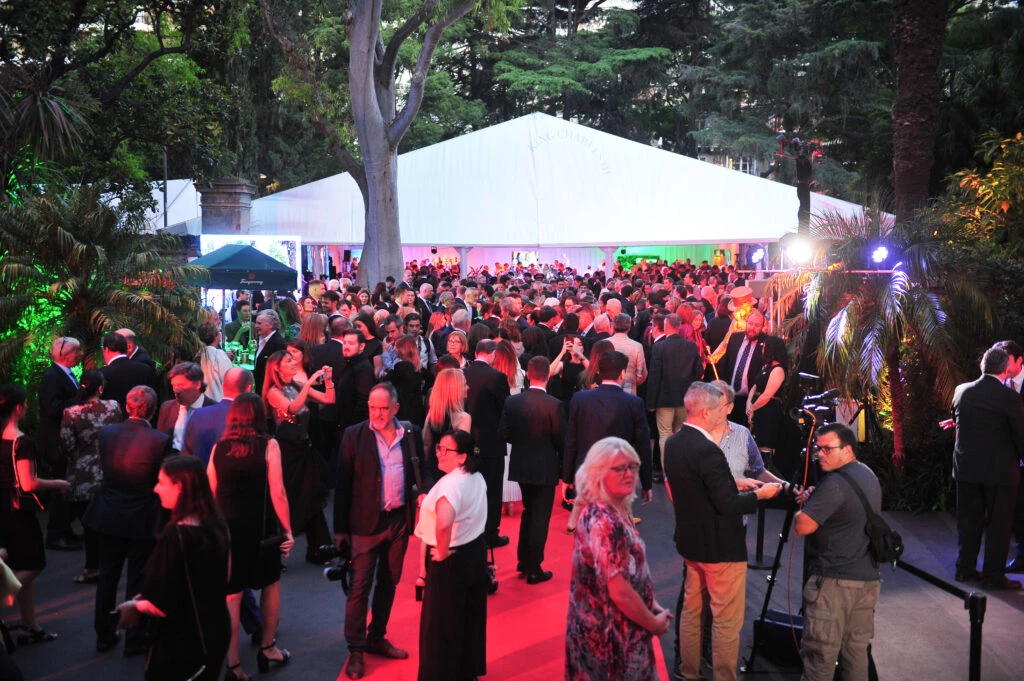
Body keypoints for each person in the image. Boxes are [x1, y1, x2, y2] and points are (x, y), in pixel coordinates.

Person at [663, 381, 782, 681]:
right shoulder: (708, 451)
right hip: (721, 548)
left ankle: (689, 672)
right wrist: (760, 494)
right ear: (705, 412)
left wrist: (735, 483)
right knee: (726, 623)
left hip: (690, 544)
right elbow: (727, 505)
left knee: (691, 614)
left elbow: (697, 489)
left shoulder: (674, 443)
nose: (725, 414)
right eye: (720, 409)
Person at [334, 383, 428, 680]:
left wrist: (424, 493)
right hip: (363, 525)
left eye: (384, 408)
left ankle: (377, 636)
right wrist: (340, 530)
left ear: (396, 408)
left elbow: (421, 470)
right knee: (360, 588)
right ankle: (356, 649)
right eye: (373, 407)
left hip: (398, 522)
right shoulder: (353, 435)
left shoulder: (409, 434)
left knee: (390, 583)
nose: (377, 413)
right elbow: (343, 485)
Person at [115, 455, 231, 681]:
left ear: (179, 487)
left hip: (181, 641)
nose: (156, 489)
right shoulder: (216, 526)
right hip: (215, 632)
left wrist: (135, 606)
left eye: (161, 482)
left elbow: (160, 605)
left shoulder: (175, 537)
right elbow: (224, 577)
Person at [565, 437, 671, 681]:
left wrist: (649, 603)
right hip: (611, 638)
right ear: (598, 473)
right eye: (619, 468)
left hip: (609, 631)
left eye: (633, 466)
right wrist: (653, 624)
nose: (629, 474)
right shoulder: (605, 522)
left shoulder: (609, 508)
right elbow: (619, 591)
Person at [208, 394, 295, 680]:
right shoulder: (269, 445)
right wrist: (288, 530)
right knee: (270, 586)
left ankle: (233, 664)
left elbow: (210, 489)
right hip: (261, 530)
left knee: (232, 597)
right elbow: (278, 493)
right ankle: (268, 647)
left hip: (227, 532)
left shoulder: (218, 448)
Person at [83, 385, 168, 655]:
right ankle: (135, 635)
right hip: (142, 516)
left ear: (127, 406)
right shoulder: (160, 440)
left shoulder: (107, 433)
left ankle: (104, 634)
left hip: (108, 513)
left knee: (108, 575)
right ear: (153, 410)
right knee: (137, 576)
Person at [794, 423, 882, 681]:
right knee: (855, 654)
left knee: (819, 657)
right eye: (818, 449)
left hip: (834, 583)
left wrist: (805, 506)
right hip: (867, 580)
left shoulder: (834, 484)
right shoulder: (867, 474)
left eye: (827, 449)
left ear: (848, 449)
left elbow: (803, 526)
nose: (820, 454)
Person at [0, 384, 72, 645]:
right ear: (18, 408)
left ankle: (31, 625)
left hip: (3, 510)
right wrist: (58, 483)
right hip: (19, 513)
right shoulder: (22, 441)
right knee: (32, 565)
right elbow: (28, 483)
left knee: (21, 566)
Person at [414, 429, 489, 681]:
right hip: (475, 554)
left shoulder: (451, 484)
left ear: (462, 457)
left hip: (452, 560)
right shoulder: (476, 477)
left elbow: (444, 523)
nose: (440, 453)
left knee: (440, 627)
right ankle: (467, 672)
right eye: (438, 447)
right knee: (471, 619)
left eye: (447, 450)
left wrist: (443, 552)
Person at [951, 345, 1024, 589]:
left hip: (967, 470)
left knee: (968, 523)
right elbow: (1020, 436)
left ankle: (965, 570)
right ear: (1005, 368)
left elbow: (962, 424)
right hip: (999, 473)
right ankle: (993, 576)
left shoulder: (961, 391)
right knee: (999, 526)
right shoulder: (1010, 398)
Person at [563, 351, 653, 531]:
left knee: (590, 528)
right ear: (621, 374)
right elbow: (643, 445)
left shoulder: (580, 399)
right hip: (618, 476)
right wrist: (646, 483)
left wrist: (566, 477)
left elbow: (571, 440)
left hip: (587, 473)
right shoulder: (634, 403)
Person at [263, 350, 335, 563]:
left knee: (313, 497)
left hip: (305, 449)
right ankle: (273, 553)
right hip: (287, 453)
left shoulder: (294, 385)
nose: (294, 362)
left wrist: (328, 381)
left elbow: (328, 399)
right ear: (277, 367)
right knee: (289, 500)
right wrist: (308, 383)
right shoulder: (273, 392)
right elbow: (293, 408)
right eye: (288, 360)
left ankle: (319, 548)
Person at [499, 356, 565, 583]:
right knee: (539, 517)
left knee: (529, 512)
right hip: (545, 467)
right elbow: (561, 441)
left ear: (528, 374)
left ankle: (523, 561)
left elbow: (504, 433)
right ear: (548, 375)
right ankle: (534, 567)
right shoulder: (554, 405)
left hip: (521, 465)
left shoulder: (513, 402)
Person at [59, 370, 124, 585]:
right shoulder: (113, 406)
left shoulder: (71, 413)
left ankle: (92, 567)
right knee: (108, 521)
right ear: (100, 388)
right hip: (109, 470)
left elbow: (67, 445)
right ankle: (109, 564)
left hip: (83, 474)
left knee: (89, 524)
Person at [463, 339, 511, 548]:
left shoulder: (463, 373)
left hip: (465, 439)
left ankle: (470, 534)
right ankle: (490, 533)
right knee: (492, 489)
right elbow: (505, 409)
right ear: (491, 354)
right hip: (491, 442)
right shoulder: (497, 377)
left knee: (469, 488)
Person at [38, 336, 84, 551]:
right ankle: (56, 535)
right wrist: (81, 400)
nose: (81, 354)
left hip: (64, 440)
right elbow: (52, 407)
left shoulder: (63, 374)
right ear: (64, 354)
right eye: (77, 351)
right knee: (60, 488)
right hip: (56, 442)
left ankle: (65, 530)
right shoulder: (52, 376)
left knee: (66, 488)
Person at [646, 313, 703, 468]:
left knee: (664, 434)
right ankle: (679, 467)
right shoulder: (691, 346)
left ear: (666, 326)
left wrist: (651, 402)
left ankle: (667, 470)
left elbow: (655, 376)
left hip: (664, 399)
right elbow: (698, 372)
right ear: (678, 326)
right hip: (685, 398)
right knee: (680, 434)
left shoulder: (659, 347)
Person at [721, 310, 787, 427]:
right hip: (730, 397)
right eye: (750, 323)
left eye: (757, 325)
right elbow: (726, 364)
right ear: (746, 322)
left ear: (763, 327)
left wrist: (752, 404)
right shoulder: (735, 338)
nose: (752, 328)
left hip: (751, 400)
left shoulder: (767, 344)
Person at [156, 362, 218, 452]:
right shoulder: (167, 408)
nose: (176, 390)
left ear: (197, 385)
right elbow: (160, 441)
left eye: (181, 385)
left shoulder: (214, 410)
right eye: (174, 386)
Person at [746, 338, 787, 450]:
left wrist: (752, 409)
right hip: (756, 408)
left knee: (764, 443)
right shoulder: (765, 367)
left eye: (764, 347)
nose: (762, 349)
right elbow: (755, 386)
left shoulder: (778, 370)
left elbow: (767, 394)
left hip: (768, 410)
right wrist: (749, 402)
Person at [383, 335, 428, 427]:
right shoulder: (418, 367)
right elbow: (430, 378)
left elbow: (386, 379)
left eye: (396, 346)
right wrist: (423, 393)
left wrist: (385, 352)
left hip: (403, 410)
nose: (394, 348)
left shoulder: (401, 366)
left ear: (402, 349)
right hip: (417, 409)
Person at [196, 322, 234, 402]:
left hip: (201, 401)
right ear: (216, 337)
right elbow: (229, 379)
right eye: (219, 332)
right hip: (217, 400)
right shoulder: (218, 355)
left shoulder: (198, 354)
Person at [253, 310, 287, 396]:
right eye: (256, 323)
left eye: (259, 323)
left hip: (270, 393)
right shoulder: (261, 340)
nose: (256, 326)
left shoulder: (278, 344)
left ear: (271, 324)